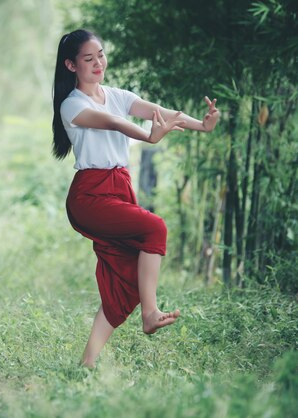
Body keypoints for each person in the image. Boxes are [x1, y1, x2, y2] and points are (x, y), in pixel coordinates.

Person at [52, 29, 220, 368]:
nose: (98, 63)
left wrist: (202, 125)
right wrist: (148, 136)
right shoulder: (72, 104)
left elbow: (161, 112)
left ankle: (86, 365)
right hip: (91, 196)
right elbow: (113, 123)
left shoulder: (116, 94)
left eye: (100, 54)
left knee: (126, 279)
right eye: (88, 58)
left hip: (119, 189)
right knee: (155, 228)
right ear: (71, 65)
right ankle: (150, 312)